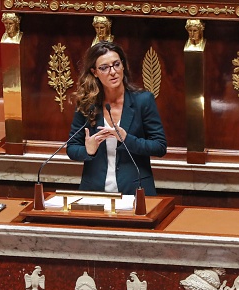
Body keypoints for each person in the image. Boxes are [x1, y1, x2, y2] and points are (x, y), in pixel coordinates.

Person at [66, 41, 167, 195]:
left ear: (123, 66)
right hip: (94, 190)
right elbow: (72, 148)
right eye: (104, 68)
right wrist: (88, 150)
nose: (112, 72)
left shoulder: (143, 101)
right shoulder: (87, 104)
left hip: (135, 191)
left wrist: (127, 139)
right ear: (94, 72)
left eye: (116, 64)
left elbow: (159, 146)